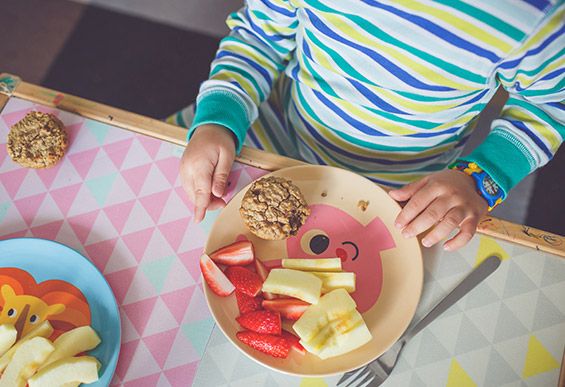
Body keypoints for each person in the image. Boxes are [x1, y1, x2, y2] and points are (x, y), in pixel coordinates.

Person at [172, 0, 564, 251]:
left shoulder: (537, 15)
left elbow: (548, 104)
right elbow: (259, 37)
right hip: (280, 129)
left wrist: (481, 179)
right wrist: (217, 120)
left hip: (407, 187)